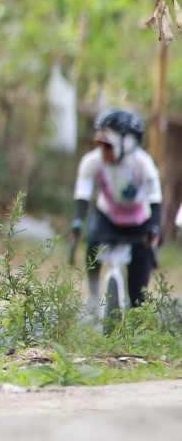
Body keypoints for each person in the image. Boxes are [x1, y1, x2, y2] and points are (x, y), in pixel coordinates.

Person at [71, 109, 163, 306]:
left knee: (138, 294)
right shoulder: (91, 161)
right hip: (107, 216)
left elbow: (155, 200)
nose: (102, 151)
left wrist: (154, 227)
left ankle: (137, 311)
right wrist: (78, 221)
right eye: (99, 144)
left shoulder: (143, 163)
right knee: (93, 240)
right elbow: (82, 194)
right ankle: (93, 296)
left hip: (139, 221)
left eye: (108, 145)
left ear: (126, 142)